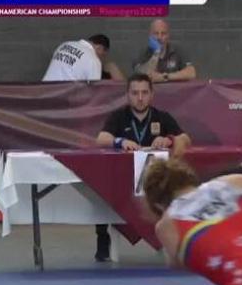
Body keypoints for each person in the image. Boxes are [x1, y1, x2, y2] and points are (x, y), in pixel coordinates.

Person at [92, 74, 191, 261]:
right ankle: (103, 240)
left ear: (152, 94)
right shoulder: (118, 116)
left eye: (144, 93)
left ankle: (177, 241)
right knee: (100, 189)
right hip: (123, 179)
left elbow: (185, 138)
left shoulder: (162, 117)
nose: (140, 98)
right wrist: (120, 141)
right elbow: (101, 139)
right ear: (127, 95)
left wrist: (169, 139)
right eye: (135, 93)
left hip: (155, 181)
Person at [132, 19, 196, 83]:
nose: (159, 37)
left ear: (168, 36)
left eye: (163, 33)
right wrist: (156, 53)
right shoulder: (143, 52)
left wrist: (165, 77)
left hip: (173, 88)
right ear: (150, 35)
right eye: (156, 33)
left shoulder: (177, 50)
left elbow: (191, 73)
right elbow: (141, 74)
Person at [42, 34, 112, 83]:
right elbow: (94, 90)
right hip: (64, 97)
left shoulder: (64, 45)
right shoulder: (94, 60)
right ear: (99, 48)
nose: (101, 59)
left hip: (45, 91)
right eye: (103, 55)